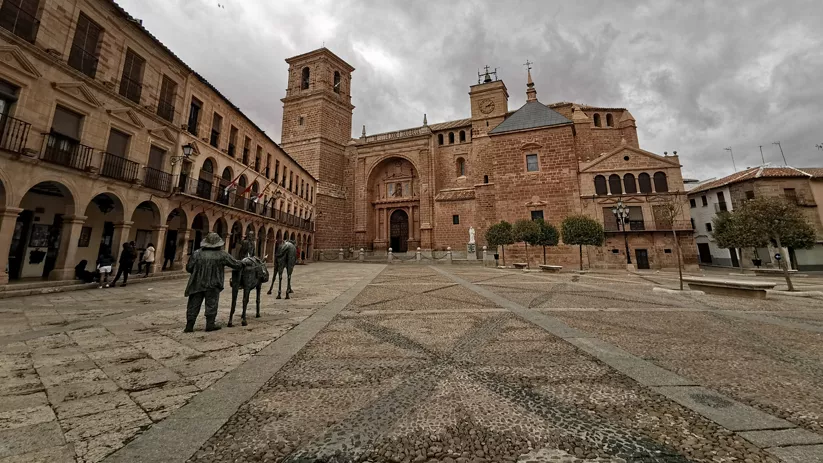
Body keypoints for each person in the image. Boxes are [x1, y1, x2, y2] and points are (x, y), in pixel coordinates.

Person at [184, 232, 245, 333]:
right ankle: (210, 324)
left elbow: (189, 268)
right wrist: (244, 262)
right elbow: (236, 264)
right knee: (211, 304)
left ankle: (189, 325)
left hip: (196, 284)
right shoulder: (222, 254)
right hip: (213, 284)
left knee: (193, 304)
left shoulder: (196, 253)